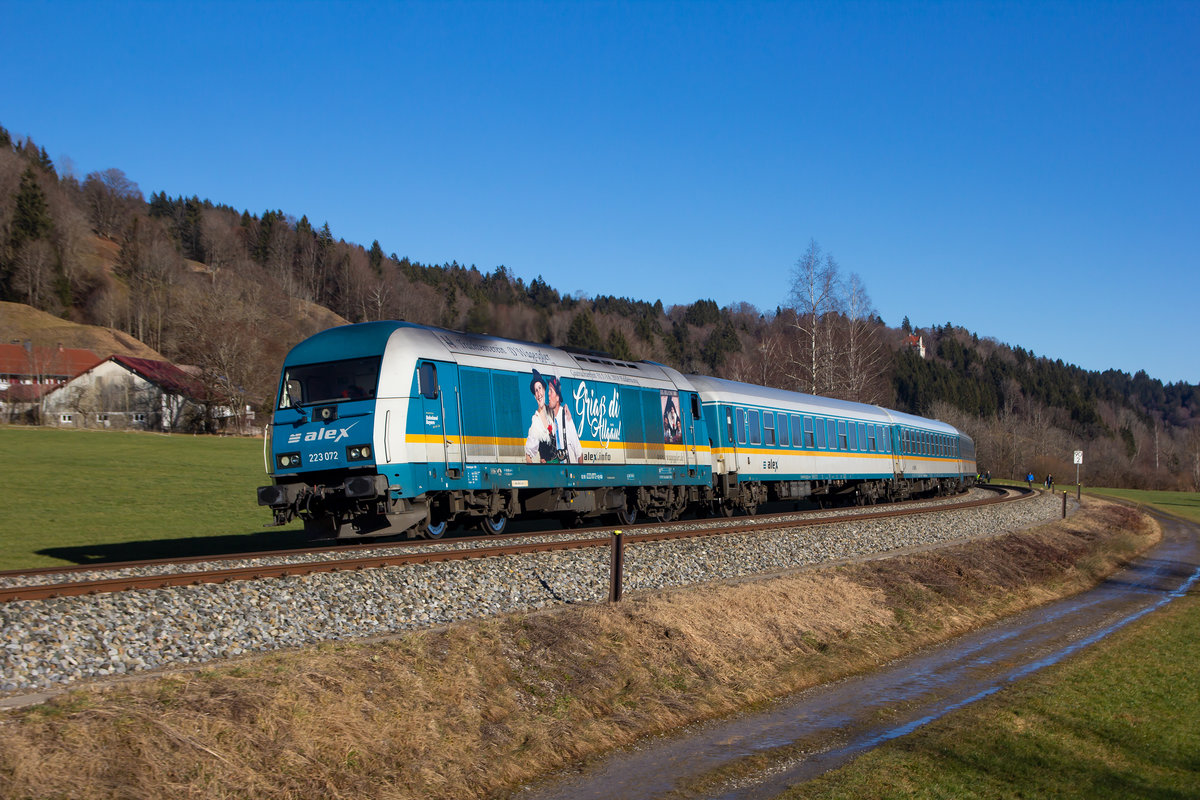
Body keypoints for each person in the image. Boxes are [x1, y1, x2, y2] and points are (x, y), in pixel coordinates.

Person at [545, 375, 582, 463]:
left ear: (557, 397)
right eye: (548, 391)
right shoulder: (548, 418)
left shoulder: (566, 418)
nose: (548, 394)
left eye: (551, 391)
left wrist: (580, 473)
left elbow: (579, 452)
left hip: (569, 471)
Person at [524, 370, 555, 463]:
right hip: (547, 469)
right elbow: (528, 456)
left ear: (544, 390)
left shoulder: (553, 412)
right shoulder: (536, 421)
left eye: (540, 388)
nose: (538, 393)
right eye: (536, 391)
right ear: (534, 396)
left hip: (560, 466)